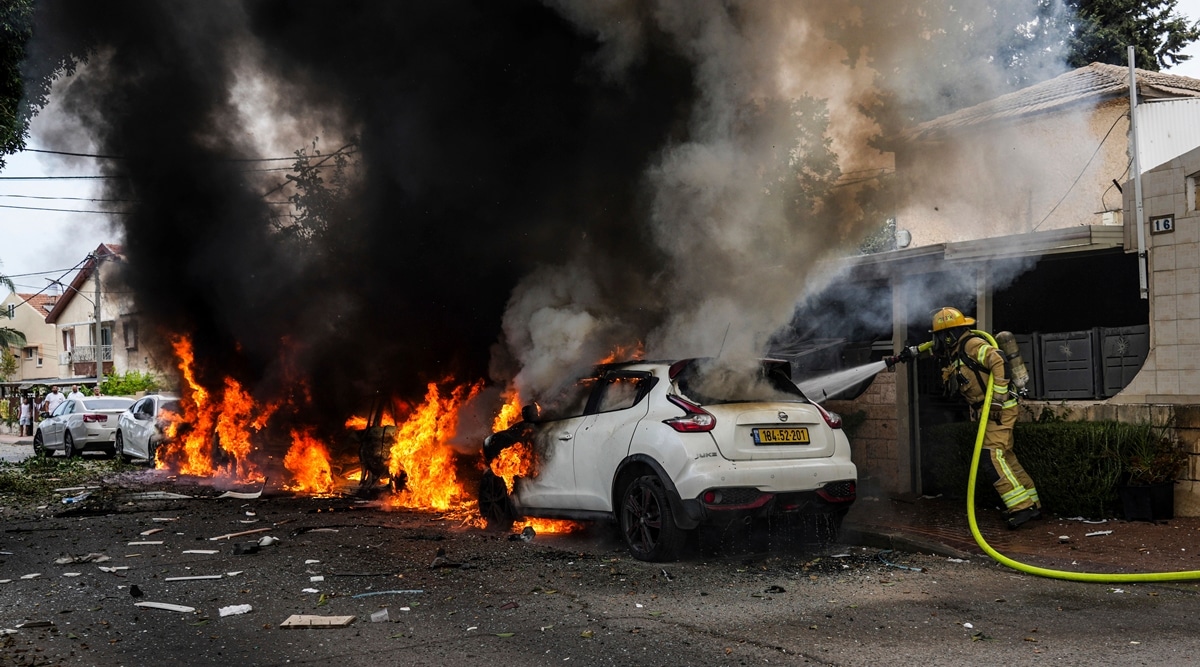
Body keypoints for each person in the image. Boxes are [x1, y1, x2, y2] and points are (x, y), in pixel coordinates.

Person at [894, 307, 1042, 529]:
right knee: (1005, 457)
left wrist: (997, 400)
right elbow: (932, 348)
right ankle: (1033, 504)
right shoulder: (956, 349)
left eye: (940, 335)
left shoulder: (972, 344)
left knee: (991, 457)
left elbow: (999, 361)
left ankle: (1021, 508)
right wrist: (912, 352)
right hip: (989, 411)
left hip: (998, 410)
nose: (938, 340)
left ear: (949, 335)